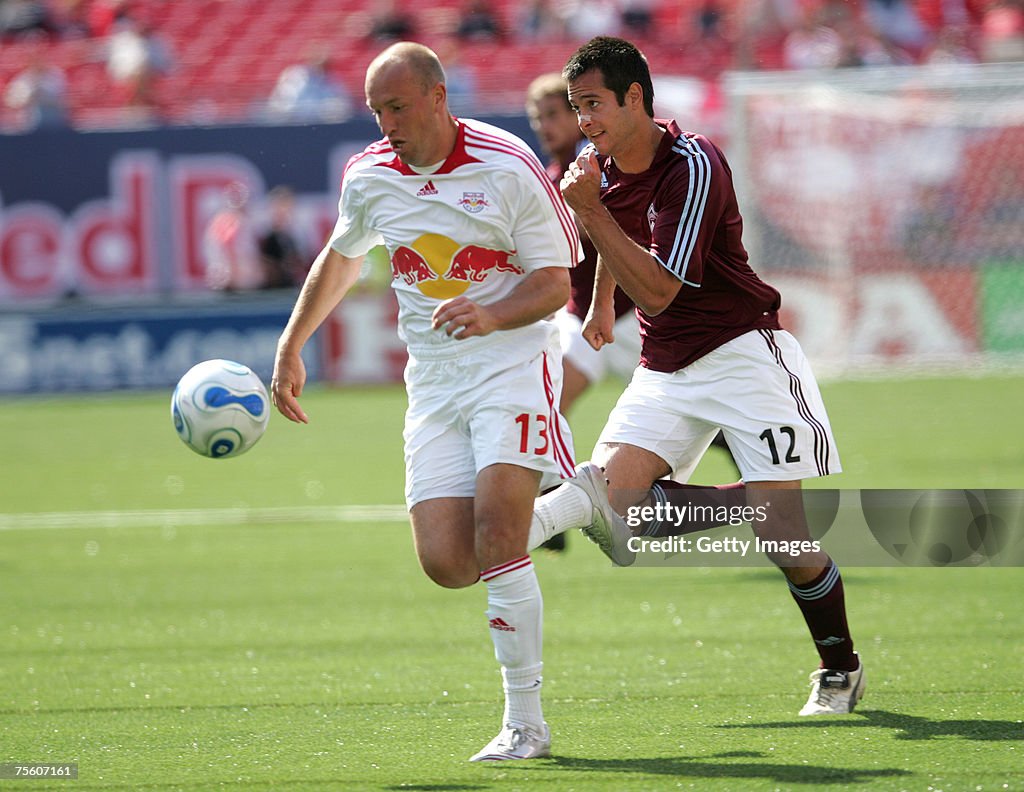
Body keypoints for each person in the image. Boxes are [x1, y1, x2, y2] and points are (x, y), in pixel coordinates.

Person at [271, 42, 619, 762]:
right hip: (432, 384)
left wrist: (493, 315)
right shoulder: (369, 177)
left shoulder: (508, 163)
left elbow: (556, 284)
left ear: (437, 97)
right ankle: (576, 503)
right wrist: (292, 343)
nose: (386, 122)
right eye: (376, 110)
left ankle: (526, 724)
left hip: (512, 365)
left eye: (397, 106)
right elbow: (341, 259)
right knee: (447, 563)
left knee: (498, 541)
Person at [551, 36, 865, 717]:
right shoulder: (600, 163)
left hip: (742, 351)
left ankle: (839, 669)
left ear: (635, 97)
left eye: (594, 104)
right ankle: (741, 502)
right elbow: (622, 237)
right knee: (615, 519)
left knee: (785, 540)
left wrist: (592, 215)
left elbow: (662, 289)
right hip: (666, 366)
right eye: (577, 107)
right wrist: (603, 301)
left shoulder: (692, 163)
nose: (585, 120)